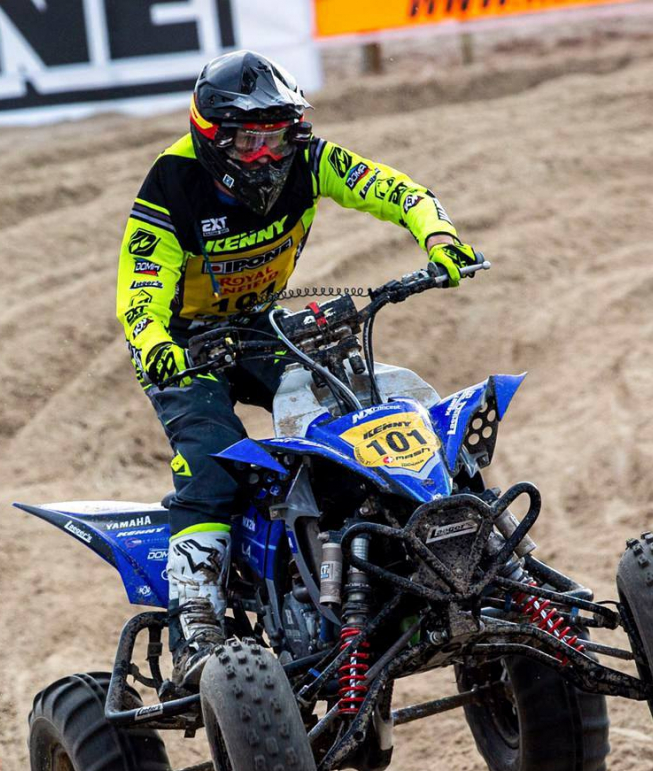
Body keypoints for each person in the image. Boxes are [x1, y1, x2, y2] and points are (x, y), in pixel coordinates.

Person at [116, 50, 482, 685]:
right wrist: (156, 344)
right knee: (212, 462)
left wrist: (440, 236)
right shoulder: (171, 184)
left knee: (357, 406)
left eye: (278, 136)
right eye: (250, 141)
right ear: (212, 138)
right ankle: (197, 624)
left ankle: (421, 549)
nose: (268, 155)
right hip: (183, 343)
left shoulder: (312, 160)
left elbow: (394, 189)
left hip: (260, 325)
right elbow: (140, 293)